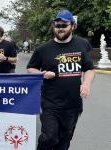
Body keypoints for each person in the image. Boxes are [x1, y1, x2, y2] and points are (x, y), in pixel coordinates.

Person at [27, 10, 95, 150]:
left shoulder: (82, 44)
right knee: (49, 137)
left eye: (64, 25)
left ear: (73, 26)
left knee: (64, 141)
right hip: (50, 103)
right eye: (57, 25)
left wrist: (87, 83)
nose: (60, 29)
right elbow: (31, 68)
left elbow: (89, 68)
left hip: (73, 104)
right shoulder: (43, 49)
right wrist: (42, 74)